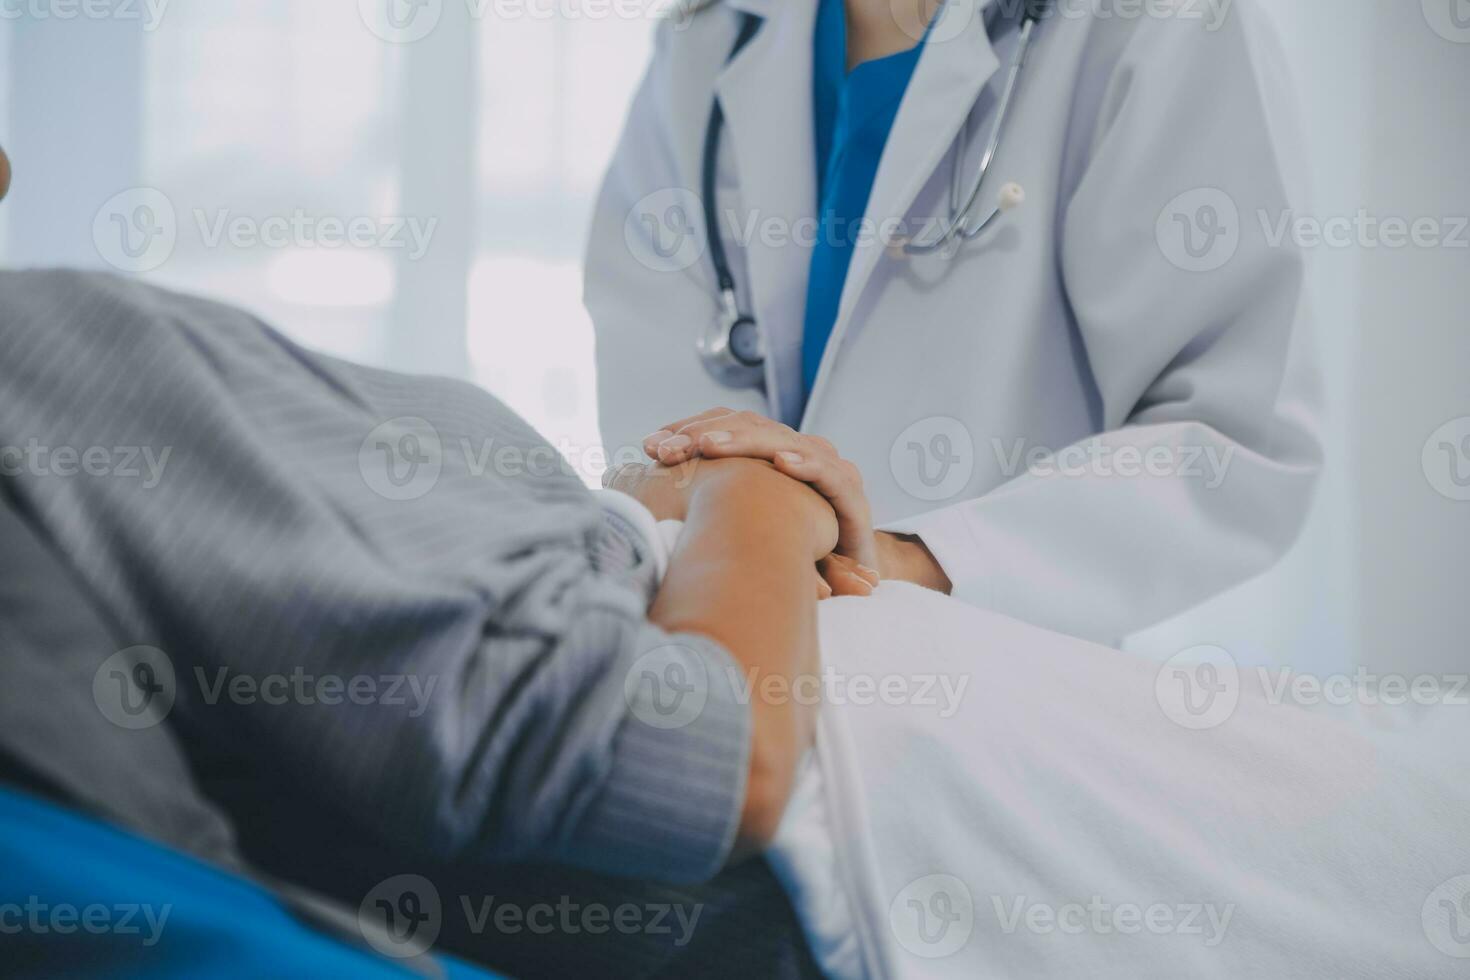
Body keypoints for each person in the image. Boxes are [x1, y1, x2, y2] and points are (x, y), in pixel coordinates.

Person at [587, 0, 1322, 642]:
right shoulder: (706, 39)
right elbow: (659, 413)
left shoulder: (1160, 22)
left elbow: (1230, 443)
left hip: (997, 691)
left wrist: (914, 558)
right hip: (725, 647)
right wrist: (750, 536)